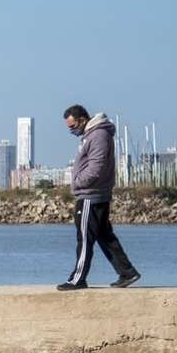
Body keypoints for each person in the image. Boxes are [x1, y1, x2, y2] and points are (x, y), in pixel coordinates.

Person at [59, 104, 141, 290]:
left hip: (90, 196)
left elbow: (96, 168)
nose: (72, 130)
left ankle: (77, 279)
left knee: (85, 238)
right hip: (97, 194)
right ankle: (127, 272)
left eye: (73, 126)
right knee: (105, 236)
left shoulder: (97, 136)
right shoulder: (94, 135)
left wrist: (77, 182)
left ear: (82, 119)